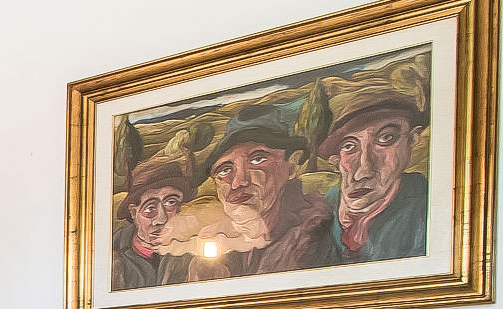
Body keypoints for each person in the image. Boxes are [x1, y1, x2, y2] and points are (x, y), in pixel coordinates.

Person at [198, 103, 329, 277]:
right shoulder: (213, 243)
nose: (238, 183)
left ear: (291, 166)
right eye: (225, 170)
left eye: (257, 160)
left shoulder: (316, 235)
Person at [314, 83, 428, 264]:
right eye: (349, 146)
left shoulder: (425, 209)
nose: (363, 172)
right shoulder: (321, 213)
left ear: (412, 139)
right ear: (337, 160)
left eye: (385, 138)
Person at [111, 155, 195, 288]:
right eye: (150, 209)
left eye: (171, 203)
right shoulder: (111, 257)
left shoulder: (193, 251)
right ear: (133, 213)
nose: (161, 219)